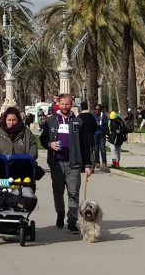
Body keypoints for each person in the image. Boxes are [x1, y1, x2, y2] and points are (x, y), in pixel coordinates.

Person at [39, 93, 93, 235]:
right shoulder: (51, 121)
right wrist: (50, 144)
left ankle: (71, 222)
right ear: (58, 104)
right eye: (62, 104)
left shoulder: (78, 122)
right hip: (56, 163)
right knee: (58, 193)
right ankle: (60, 213)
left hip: (73, 163)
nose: (65, 106)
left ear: (71, 105)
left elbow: (85, 144)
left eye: (67, 104)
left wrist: (87, 165)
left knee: (73, 193)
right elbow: (43, 139)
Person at [91, 104, 109, 169]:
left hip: (102, 134)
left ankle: (104, 162)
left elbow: (106, 125)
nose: (97, 111)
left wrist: (102, 121)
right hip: (95, 134)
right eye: (96, 109)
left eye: (99, 109)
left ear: (101, 110)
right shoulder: (93, 116)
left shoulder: (104, 116)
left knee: (102, 148)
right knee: (96, 149)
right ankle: (97, 162)